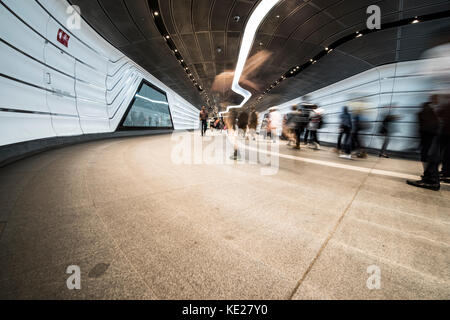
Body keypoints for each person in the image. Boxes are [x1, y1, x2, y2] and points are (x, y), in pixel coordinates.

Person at [406, 98, 440, 191]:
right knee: (430, 156)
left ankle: (431, 181)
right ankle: (430, 179)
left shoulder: (426, 111)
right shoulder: (432, 111)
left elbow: (427, 127)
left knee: (429, 155)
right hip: (433, 137)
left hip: (430, 138)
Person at [437, 95, 450, 182]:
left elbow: (440, 113)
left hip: (447, 132)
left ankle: (447, 174)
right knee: (446, 154)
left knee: (447, 154)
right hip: (446, 132)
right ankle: (445, 172)